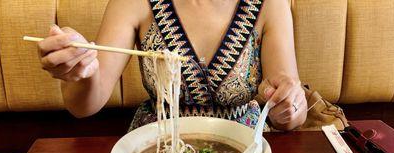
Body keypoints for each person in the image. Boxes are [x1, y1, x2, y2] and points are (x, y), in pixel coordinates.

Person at [37, 0, 307, 131]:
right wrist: (81, 69)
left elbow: (288, 96)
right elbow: (84, 105)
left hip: (245, 149)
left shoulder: (269, 3)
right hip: (156, 146)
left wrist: (289, 107)